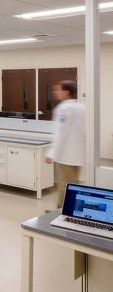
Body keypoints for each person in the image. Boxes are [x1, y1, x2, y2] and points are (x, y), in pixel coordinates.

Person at [45, 80, 86, 208]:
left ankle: (61, 214)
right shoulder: (81, 107)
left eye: (59, 90)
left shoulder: (64, 108)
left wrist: (52, 153)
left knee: (64, 186)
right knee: (74, 185)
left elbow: (61, 133)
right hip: (78, 155)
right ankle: (72, 212)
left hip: (65, 156)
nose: (56, 92)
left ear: (66, 92)